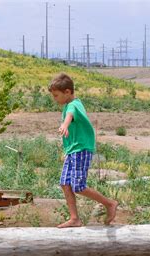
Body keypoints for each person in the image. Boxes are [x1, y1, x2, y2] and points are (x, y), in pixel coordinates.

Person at [48, 72, 118, 228]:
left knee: (78, 186)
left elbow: (70, 117)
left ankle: (109, 204)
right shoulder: (67, 105)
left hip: (81, 150)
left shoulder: (73, 105)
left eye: (56, 95)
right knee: (65, 183)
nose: (55, 99)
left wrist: (65, 125)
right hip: (73, 150)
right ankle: (75, 219)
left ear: (67, 92)